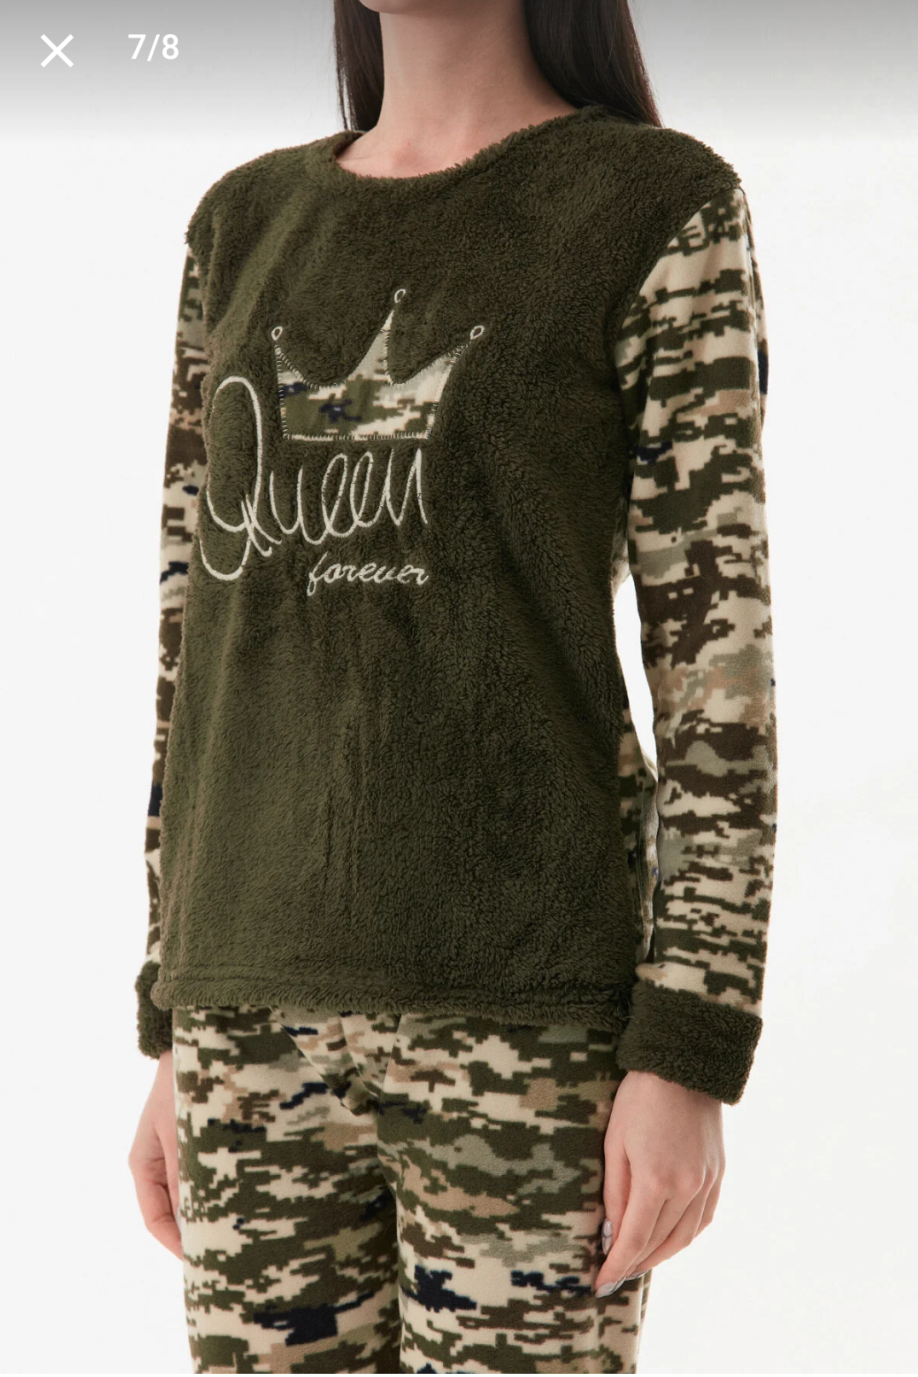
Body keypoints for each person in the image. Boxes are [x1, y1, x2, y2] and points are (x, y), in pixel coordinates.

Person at [127, 0, 778, 1371]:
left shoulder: (653, 206)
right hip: (245, 1021)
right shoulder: (240, 226)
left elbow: (716, 675)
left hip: (529, 1022)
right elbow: (194, 656)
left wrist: (688, 1044)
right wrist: (170, 1014)